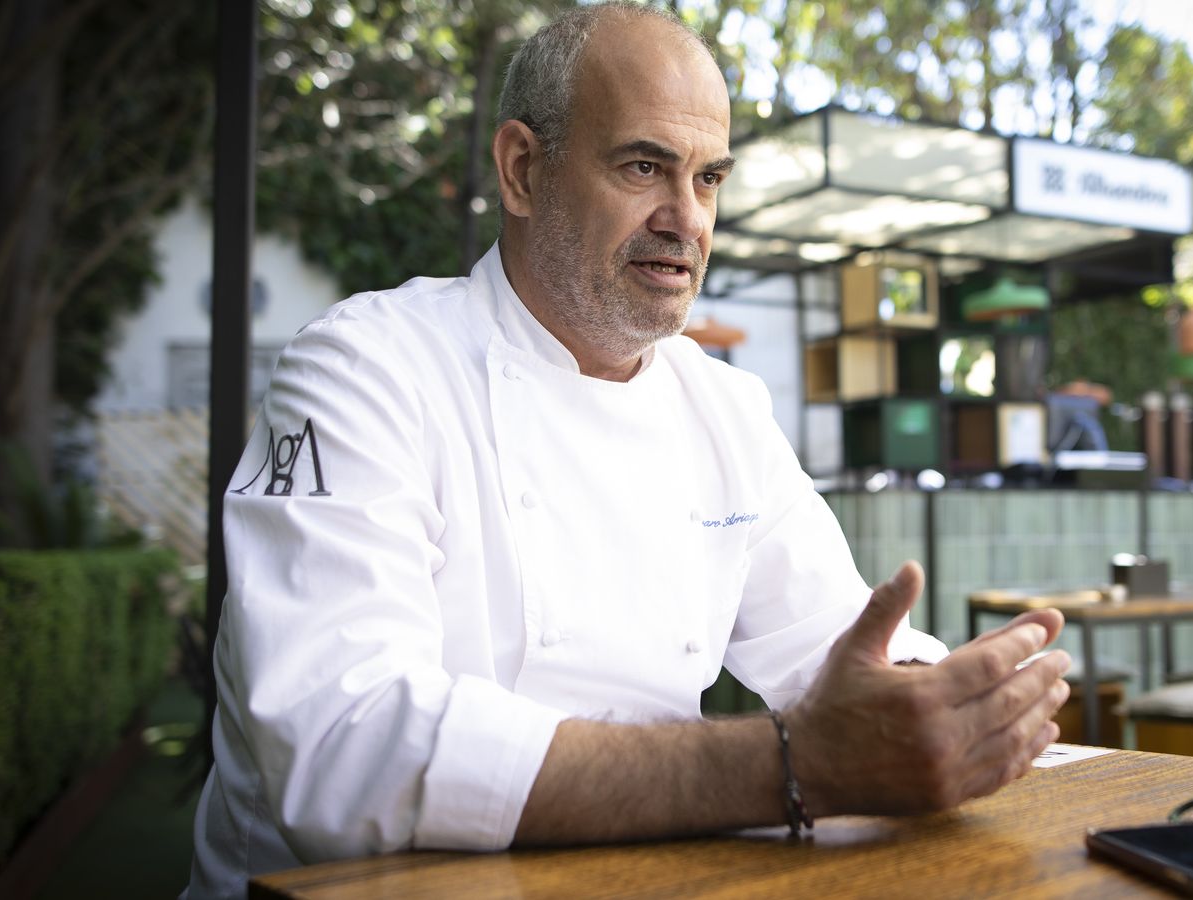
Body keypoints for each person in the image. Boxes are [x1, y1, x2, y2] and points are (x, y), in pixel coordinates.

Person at [185, 3, 1071, 897]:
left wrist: (955, 704)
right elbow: (345, 756)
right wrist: (791, 767)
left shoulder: (724, 408)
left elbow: (839, 650)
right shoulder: (366, 370)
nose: (686, 219)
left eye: (710, 179)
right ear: (524, 170)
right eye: (644, 166)